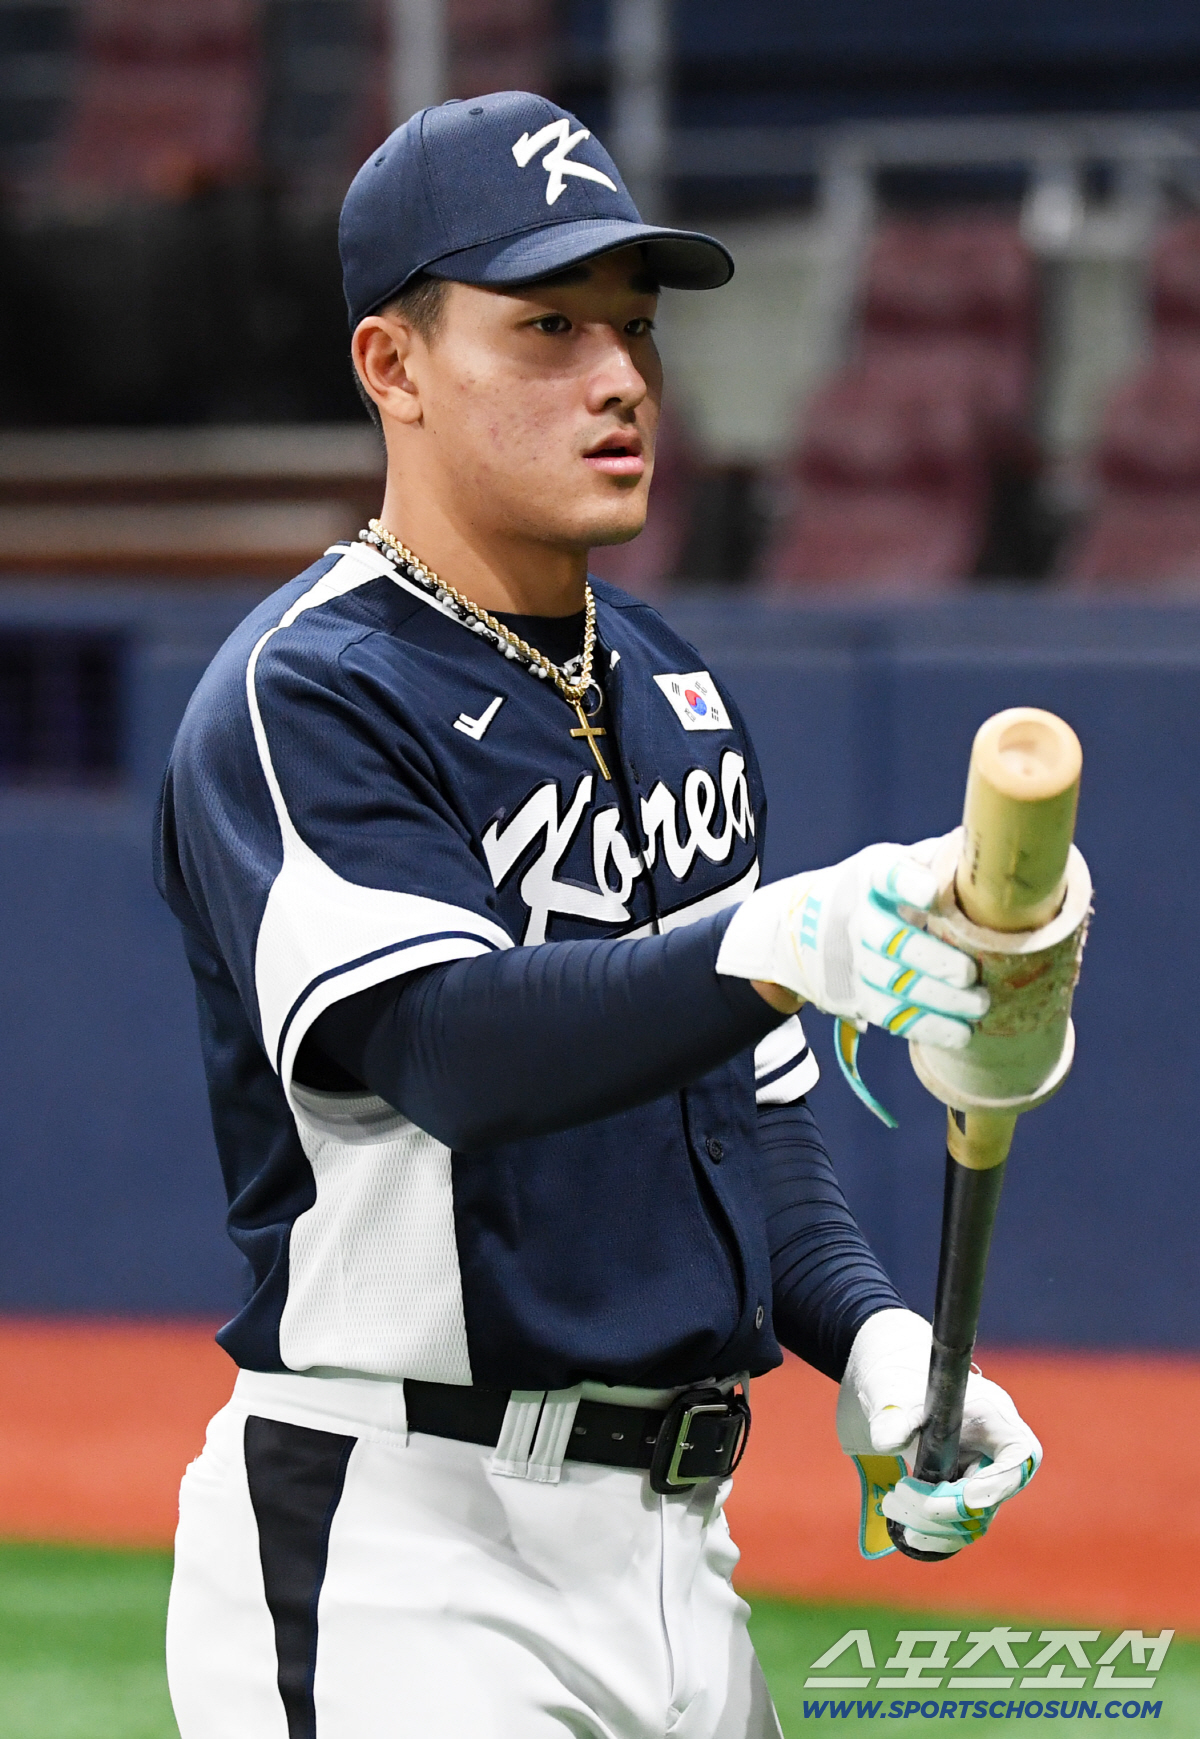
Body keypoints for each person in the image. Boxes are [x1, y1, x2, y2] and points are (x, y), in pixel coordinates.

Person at [155, 91, 1041, 1739]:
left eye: (631, 325)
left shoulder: (675, 690)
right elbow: (447, 1048)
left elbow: (753, 1134)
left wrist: (875, 1340)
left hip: (679, 1556)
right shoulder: (310, 689)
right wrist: (767, 944)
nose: (622, 373)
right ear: (392, 368)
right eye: (547, 325)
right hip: (410, 1551)